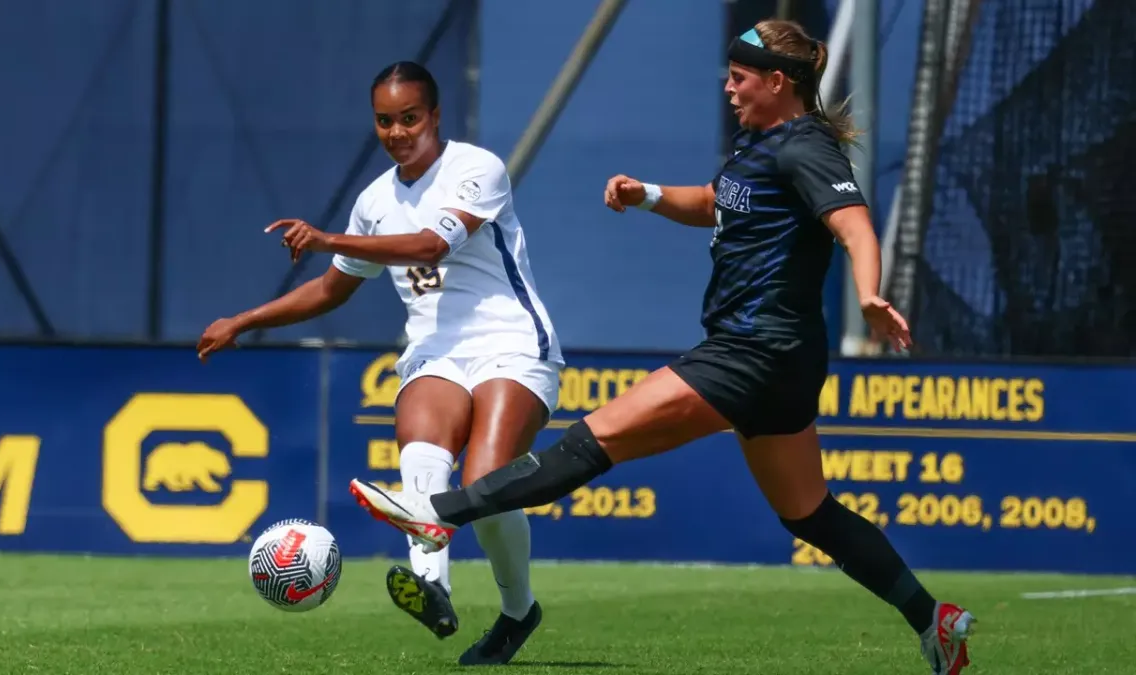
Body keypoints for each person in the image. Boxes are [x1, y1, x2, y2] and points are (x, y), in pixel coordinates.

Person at [348, 21, 975, 675]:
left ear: (777, 82)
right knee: (810, 512)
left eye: (739, 77)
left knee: (585, 444)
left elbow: (854, 225)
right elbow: (715, 203)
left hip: (751, 352)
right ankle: (934, 620)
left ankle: (433, 511)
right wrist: (646, 195)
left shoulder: (803, 148)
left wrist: (870, 295)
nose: (728, 87)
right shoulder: (758, 144)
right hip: (780, 361)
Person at [197, 60, 560, 666]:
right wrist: (244, 321)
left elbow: (430, 244)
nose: (397, 132)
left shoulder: (476, 168)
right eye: (385, 121)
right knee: (422, 455)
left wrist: (327, 239)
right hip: (435, 351)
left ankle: (519, 610)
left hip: (511, 342)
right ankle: (433, 586)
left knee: (487, 486)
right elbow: (331, 290)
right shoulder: (374, 201)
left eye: (410, 118)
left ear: (436, 116)